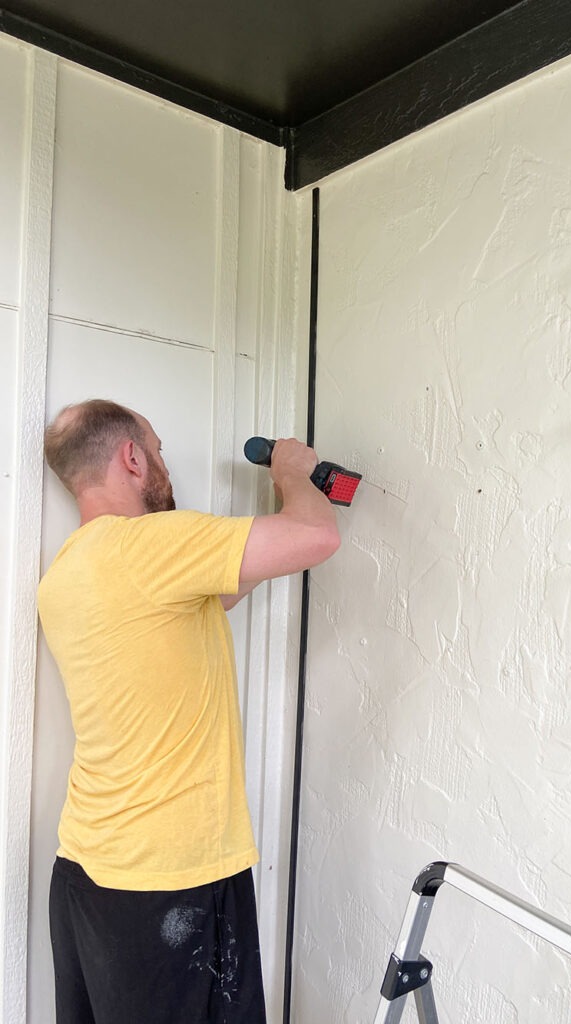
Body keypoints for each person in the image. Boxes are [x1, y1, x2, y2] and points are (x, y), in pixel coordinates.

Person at [37, 398, 341, 1024]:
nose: (164, 466)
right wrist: (293, 472)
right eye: (158, 451)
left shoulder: (67, 573)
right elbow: (317, 535)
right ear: (131, 458)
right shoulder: (153, 545)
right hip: (169, 881)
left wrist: (257, 535)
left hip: (88, 877)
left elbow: (219, 591)